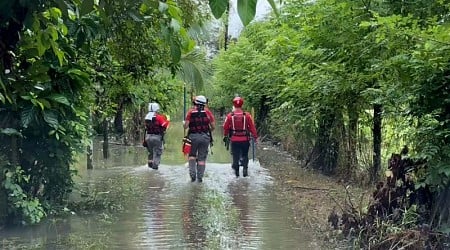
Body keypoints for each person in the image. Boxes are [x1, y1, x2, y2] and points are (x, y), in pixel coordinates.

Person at [222, 96, 257, 177]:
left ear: (234, 105)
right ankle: (245, 169)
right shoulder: (247, 115)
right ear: (242, 104)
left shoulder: (230, 116)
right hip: (245, 139)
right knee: (245, 155)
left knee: (235, 155)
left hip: (234, 140)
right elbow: (252, 127)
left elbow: (225, 127)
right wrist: (255, 137)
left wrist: (225, 135)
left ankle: (237, 173)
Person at [183, 95, 215, 182]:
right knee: (201, 158)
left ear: (195, 103)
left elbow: (185, 126)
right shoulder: (208, 113)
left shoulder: (190, 112)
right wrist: (208, 131)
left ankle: (192, 174)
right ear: (204, 104)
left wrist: (184, 123)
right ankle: (200, 177)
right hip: (205, 137)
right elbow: (213, 126)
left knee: (192, 155)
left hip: (192, 137)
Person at [144, 102, 170, 170]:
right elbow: (165, 125)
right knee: (157, 153)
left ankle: (149, 166)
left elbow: (146, 128)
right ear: (156, 109)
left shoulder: (146, 118)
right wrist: (168, 120)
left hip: (148, 137)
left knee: (150, 153)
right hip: (157, 138)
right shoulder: (159, 117)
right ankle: (154, 168)